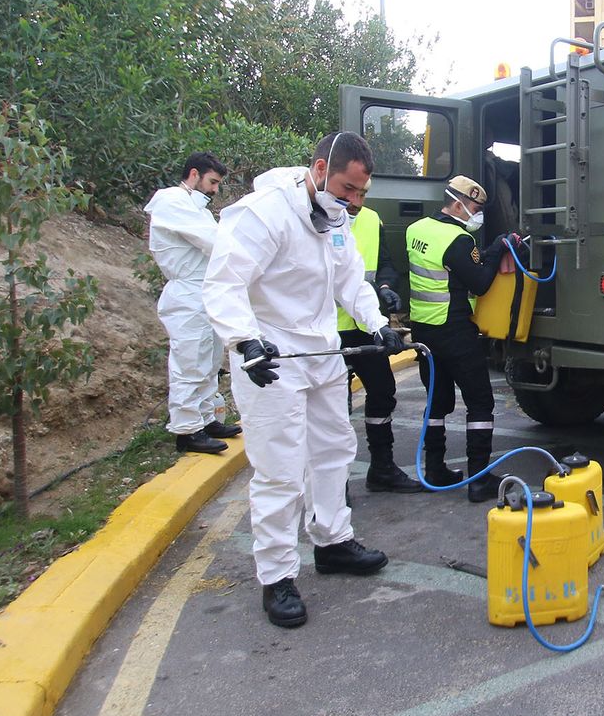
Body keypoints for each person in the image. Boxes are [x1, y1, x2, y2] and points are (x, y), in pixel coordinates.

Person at [204, 132, 407, 628]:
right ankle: (276, 577)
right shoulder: (264, 213)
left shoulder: (335, 219)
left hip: (319, 353)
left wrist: (377, 323)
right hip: (270, 357)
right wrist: (244, 341)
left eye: (362, 193)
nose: (355, 202)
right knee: (281, 470)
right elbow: (224, 282)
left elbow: (350, 283)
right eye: (347, 189)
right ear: (319, 170)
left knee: (334, 448)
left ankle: (333, 541)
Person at [405, 175, 525, 503]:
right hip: (456, 331)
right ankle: (479, 480)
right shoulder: (458, 240)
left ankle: (434, 468)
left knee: (436, 403)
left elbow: (454, 270)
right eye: (474, 207)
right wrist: (498, 247)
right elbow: (481, 281)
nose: (477, 214)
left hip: (424, 332)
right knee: (480, 402)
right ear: (458, 203)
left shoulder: (415, 230)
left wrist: (485, 252)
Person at [145, 152, 240, 455]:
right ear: (194, 174)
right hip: (187, 293)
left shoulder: (196, 207)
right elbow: (213, 241)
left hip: (205, 291)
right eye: (212, 182)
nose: (214, 190)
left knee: (210, 360)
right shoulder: (171, 200)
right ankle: (187, 429)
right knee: (189, 362)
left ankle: (206, 418)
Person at [337, 180, 424, 493]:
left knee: (383, 391)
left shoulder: (372, 219)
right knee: (335, 406)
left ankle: (382, 467)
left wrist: (387, 289)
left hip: (367, 326)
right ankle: (336, 483)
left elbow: (383, 264)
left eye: (362, 195)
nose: (357, 201)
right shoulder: (319, 220)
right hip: (330, 331)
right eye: (352, 194)